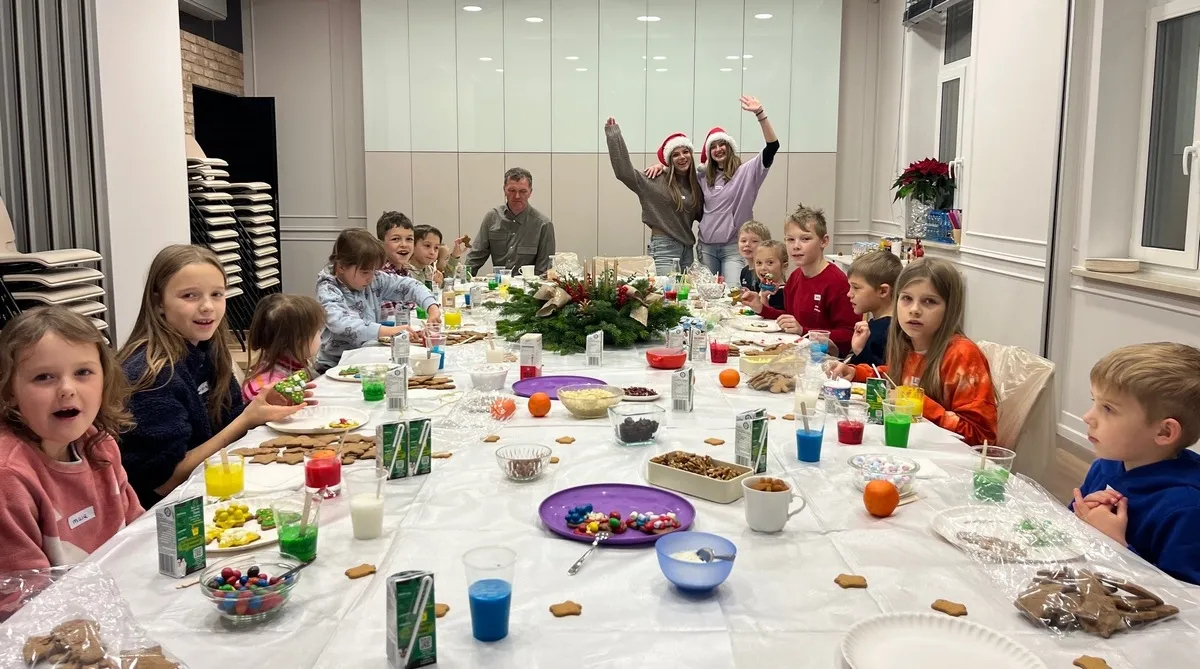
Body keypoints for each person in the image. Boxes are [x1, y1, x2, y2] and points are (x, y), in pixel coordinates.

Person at [118, 245, 312, 508]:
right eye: (189, 296)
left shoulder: (207, 352)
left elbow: (227, 419)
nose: (208, 307)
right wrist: (246, 419)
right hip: (171, 512)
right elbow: (164, 481)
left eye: (217, 294)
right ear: (158, 303)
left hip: (211, 492)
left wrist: (262, 407)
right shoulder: (151, 375)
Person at [0, 307, 142, 571]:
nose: (67, 389)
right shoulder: (8, 478)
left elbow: (137, 532)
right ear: (9, 391)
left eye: (83, 372)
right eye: (44, 377)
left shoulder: (100, 444)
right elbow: (23, 590)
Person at [1070, 342, 1200, 585]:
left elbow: (1185, 597)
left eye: (1108, 409)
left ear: (1164, 432)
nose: (1087, 417)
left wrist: (1117, 545)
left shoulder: (1187, 508)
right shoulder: (1106, 465)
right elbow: (1073, 528)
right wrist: (1083, 514)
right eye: (1094, 401)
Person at [830, 258, 998, 445]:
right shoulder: (906, 342)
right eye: (907, 299)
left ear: (950, 308)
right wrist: (856, 372)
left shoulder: (963, 355)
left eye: (929, 301)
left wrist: (918, 404)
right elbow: (896, 377)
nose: (915, 310)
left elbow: (982, 437)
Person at [646, 95, 779, 280]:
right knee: (706, 293)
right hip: (706, 247)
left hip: (733, 247)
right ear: (709, 152)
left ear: (730, 147)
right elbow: (681, 170)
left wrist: (760, 114)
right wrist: (663, 167)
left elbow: (772, 146)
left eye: (722, 144)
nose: (718, 149)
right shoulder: (702, 177)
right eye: (713, 146)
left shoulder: (747, 172)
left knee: (733, 290)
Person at [316, 228, 440, 372]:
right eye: (365, 272)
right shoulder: (328, 288)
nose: (370, 278)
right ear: (342, 266)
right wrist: (388, 331)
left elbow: (411, 286)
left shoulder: (374, 279)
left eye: (374, 271)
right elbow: (341, 324)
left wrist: (432, 308)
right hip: (335, 364)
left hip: (366, 356)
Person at [742, 204, 857, 354]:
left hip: (824, 358)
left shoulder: (837, 282)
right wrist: (761, 308)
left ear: (824, 241)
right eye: (790, 239)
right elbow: (790, 319)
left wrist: (803, 331)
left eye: (805, 239)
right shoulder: (796, 276)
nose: (796, 246)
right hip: (797, 352)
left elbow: (849, 335)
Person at [604, 118, 700, 274]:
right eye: (675, 154)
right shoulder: (654, 180)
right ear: (669, 160)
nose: (682, 157)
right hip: (664, 248)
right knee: (666, 288)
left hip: (688, 249)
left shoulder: (694, 185)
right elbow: (624, 173)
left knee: (686, 290)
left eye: (685, 152)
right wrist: (614, 136)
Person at [465, 167, 556, 276]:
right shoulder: (492, 218)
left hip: (529, 285)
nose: (517, 196)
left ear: (530, 192)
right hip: (498, 284)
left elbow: (544, 270)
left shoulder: (543, 225)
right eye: (512, 190)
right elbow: (475, 258)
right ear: (504, 190)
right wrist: (462, 279)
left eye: (523, 191)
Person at [241, 294, 325, 402]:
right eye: (317, 331)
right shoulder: (269, 388)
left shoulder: (296, 366)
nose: (321, 335)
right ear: (298, 340)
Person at [846, 251, 904, 367]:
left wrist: (860, 351)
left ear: (883, 291)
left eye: (856, 288)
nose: (849, 294)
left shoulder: (889, 332)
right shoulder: (876, 324)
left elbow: (884, 373)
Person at [376, 210, 415, 276]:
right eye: (395, 239)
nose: (404, 245)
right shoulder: (381, 276)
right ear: (381, 244)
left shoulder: (405, 271)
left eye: (409, 239)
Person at [751, 240, 787, 311]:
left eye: (770, 262)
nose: (763, 268)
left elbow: (770, 315)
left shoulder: (782, 293)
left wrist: (764, 297)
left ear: (784, 266)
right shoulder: (759, 286)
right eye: (759, 263)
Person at [737, 220, 771, 292]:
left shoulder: (765, 271)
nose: (747, 244)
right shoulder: (744, 271)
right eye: (743, 241)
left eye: (754, 241)